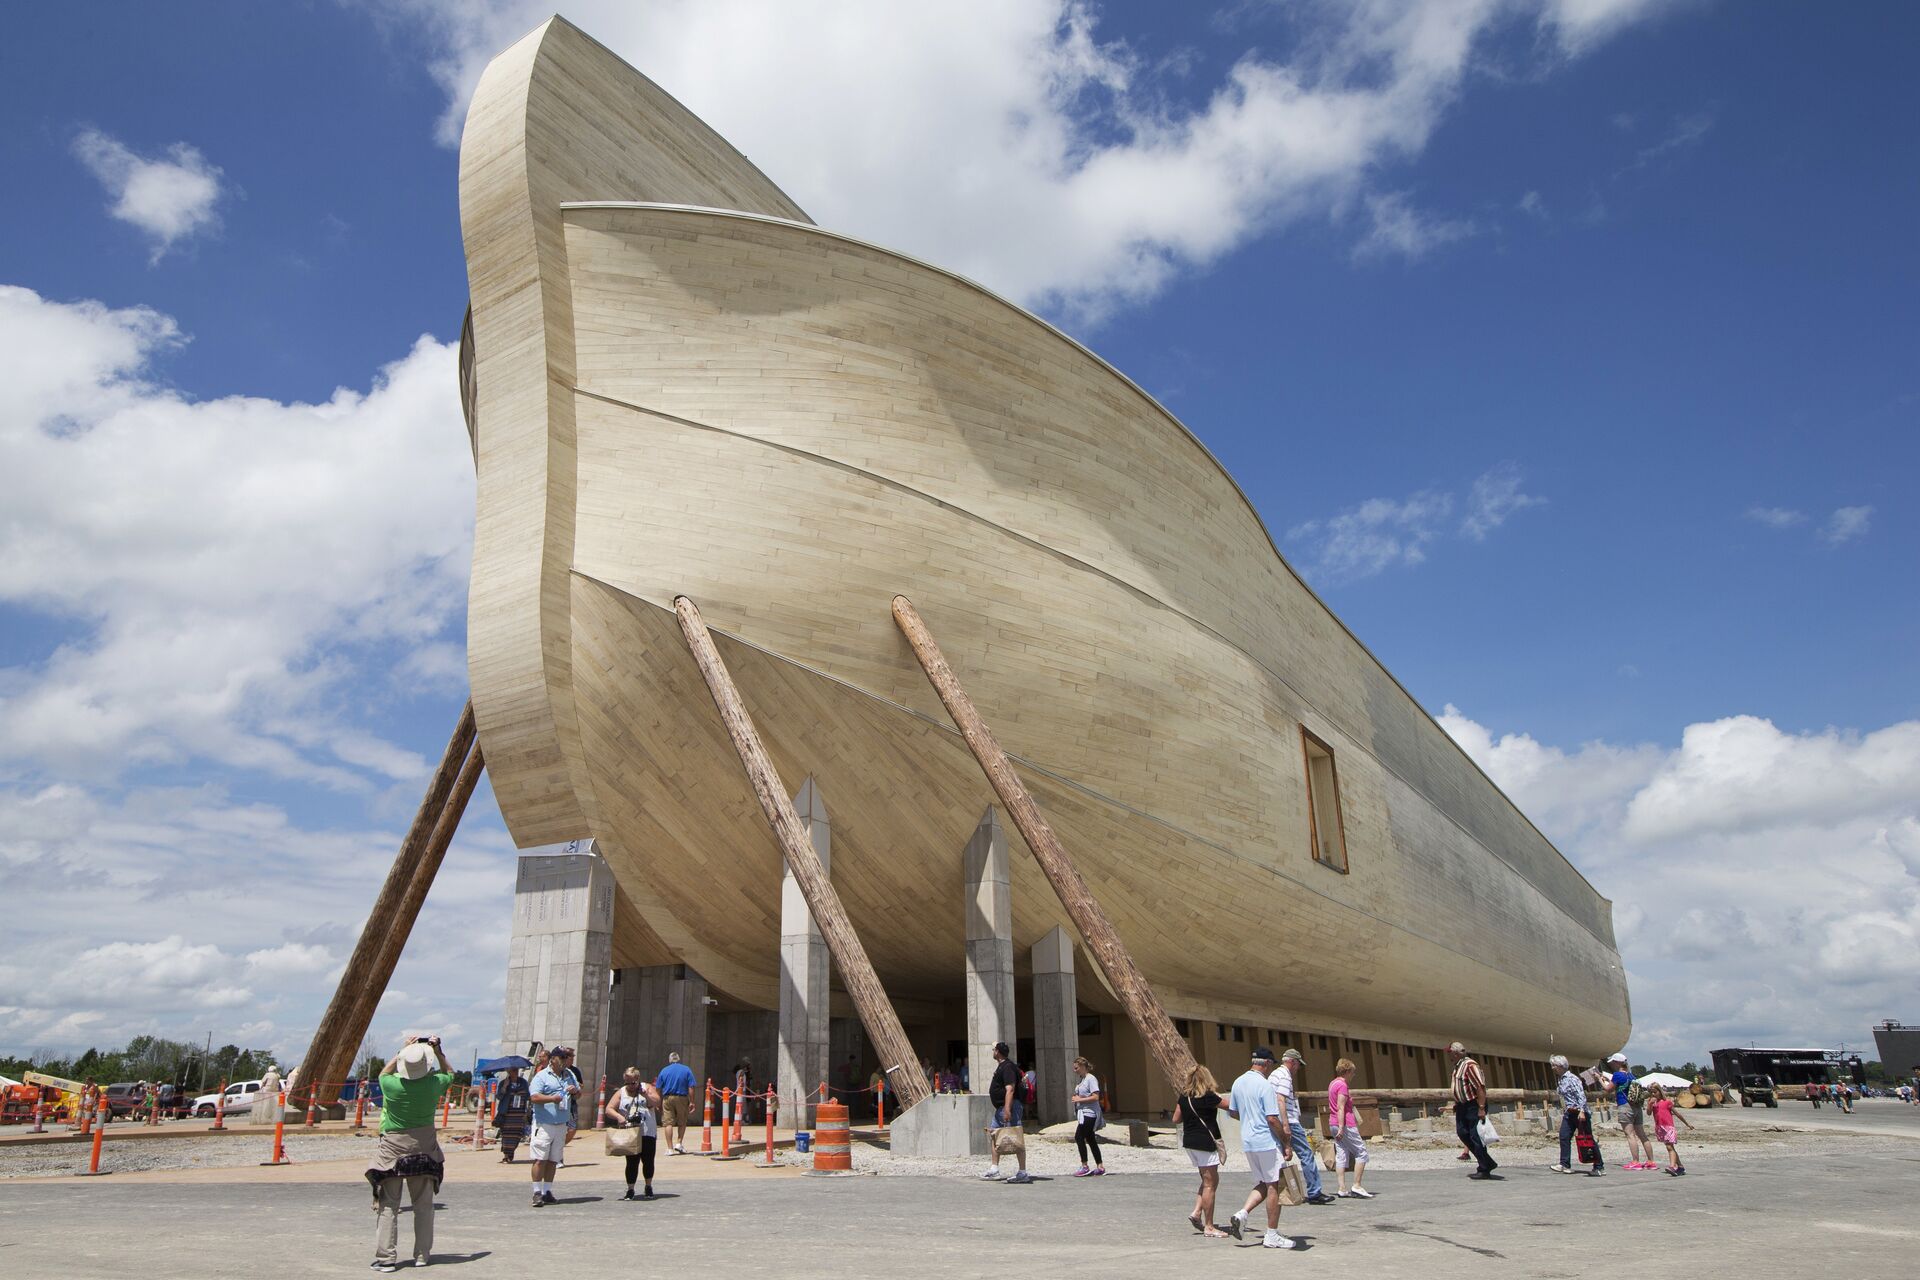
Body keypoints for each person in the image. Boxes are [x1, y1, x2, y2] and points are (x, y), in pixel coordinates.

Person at [365, 1035, 454, 1273]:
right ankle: (422, 1254)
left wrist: (404, 1051)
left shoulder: (391, 1084)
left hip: (392, 1151)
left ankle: (386, 1258)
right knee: (423, 1206)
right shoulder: (433, 1083)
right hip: (424, 1150)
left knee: (388, 1206)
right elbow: (451, 1073)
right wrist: (437, 1050)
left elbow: (383, 1073)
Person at [1222, 1047, 1296, 1249]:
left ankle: (1242, 1213)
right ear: (1267, 1064)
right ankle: (1272, 1234)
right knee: (1275, 1185)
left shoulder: (1238, 1082)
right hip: (1266, 1141)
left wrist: (1250, 1115)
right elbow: (1272, 1118)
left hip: (1248, 1141)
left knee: (1263, 1182)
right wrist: (1286, 1142)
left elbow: (1234, 1112)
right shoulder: (1264, 1085)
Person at [1173, 1064, 1229, 1236]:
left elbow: (1176, 1119)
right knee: (1210, 1184)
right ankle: (1209, 1226)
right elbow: (1229, 1105)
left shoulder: (1184, 1097)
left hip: (1190, 1142)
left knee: (1208, 1181)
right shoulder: (1209, 1097)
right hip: (1206, 1142)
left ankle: (1197, 1212)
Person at [1275, 1049, 1336, 1204]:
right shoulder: (1284, 1076)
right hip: (1289, 1121)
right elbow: (1280, 1099)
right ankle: (1315, 1192)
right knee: (1306, 1154)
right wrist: (1286, 1123)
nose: (1298, 1069)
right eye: (1298, 1065)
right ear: (1292, 1062)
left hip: (1275, 1120)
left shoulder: (1274, 1075)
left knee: (1280, 1155)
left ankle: (1277, 1191)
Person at [527, 1046, 580, 1207]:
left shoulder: (569, 1074)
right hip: (544, 1123)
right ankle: (536, 1192)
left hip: (561, 1122)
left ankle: (547, 1191)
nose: (565, 1061)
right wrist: (552, 1099)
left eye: (567, 1058)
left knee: (553, 1159)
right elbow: (534, 1096)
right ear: (553, 1059)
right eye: (562, 1057)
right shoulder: (541, 1076)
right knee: (540, 1159)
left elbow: (579, 1094)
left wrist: (574, 1091)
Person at [604, 1068, 661, 1199]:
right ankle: (630, 1189)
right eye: (627, 1082)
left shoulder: (646, 1088)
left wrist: (646, 1095)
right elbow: (609, 1109)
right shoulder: (621, 1092)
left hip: (647, 1130)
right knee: (631, 1162)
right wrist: (619, 1117)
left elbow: (657, 1102)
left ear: (638, 1080)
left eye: (633, 1083)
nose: (630, 1086)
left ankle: (648, 1186)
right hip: (630, 1131)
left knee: (648, 1160)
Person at [979, 1042, 1031, 1183]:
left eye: (994, 1049)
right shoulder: (1003, 1066)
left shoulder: (1007, 1067)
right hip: (1002, 1108)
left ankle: (1022, 1172)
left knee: (1016, 1136)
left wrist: (1007, 1109)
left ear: (998, 1052)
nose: (993, 1051)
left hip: (1009, 1107)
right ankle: (994, 1169)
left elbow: (1010, 1089)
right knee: (995, 1134)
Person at [1448, 1041, 1500, 1179]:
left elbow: (1480, 1087)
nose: (1449, 1055)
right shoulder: (1457, 1066)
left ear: (1456, 1053)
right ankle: (1487, 1162)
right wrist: (1457, 1103)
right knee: (1462, 1132)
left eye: (1450, 1053)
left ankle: (1484, 1167)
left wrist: (1481, 1108)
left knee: (1475, 1136)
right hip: (1462, 1105)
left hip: (1473, 1105)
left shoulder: (1470, 1066)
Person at [1548, 1054, 1603, 1177]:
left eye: (1554, 1065)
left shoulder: (1572, 1078)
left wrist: (1582, 1111)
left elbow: (1581, 1095)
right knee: (1564, 1136)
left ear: (1561, 1066)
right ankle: (1564, 1163)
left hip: (1579, 1112)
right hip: (1569, 1112)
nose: (1552, 1068)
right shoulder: (1561, 1079)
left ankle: (1599, 1166)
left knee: (1587, 1138)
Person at [1327, 1057, 1372, 1197]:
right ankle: (1357, 1185)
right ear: (1347, 1071)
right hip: (1345, 1123)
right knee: (1361, 1152)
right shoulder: (1343, 1085)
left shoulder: (1332, 1083)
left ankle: (1342, 1188)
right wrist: (1342, 1127)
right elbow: (1341, 1107)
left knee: (1342, 1152)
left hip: (1332, 1122)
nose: (1353, 1075)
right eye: (1352, 1072)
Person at [1608, 1053, 1653, 1169]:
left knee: (1630, 1135)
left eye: (1613, 1062)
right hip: (1636, 1107)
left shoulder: (1617, 1075)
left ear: (1617, 1063)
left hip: (1625, 1105)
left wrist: (1599, 1079)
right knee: (1642, 1134)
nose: (1611, 1065)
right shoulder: (1632, 1076)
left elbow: (1608, 1089)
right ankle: (1651, 1161)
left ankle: (1635, 1161)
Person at [1646, 1084, 1694, 1175]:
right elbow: (1648, 1113)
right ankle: (1680, 1166)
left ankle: (1672, 1167)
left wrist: (1687, 1124)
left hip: (1668, 1127)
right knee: (1671, 1147)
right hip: (1660, 1128)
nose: (1653, 1094)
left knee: (1669, 1147)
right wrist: (1650, 1104)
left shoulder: (1667, 1102)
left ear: (1660, 1091)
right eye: (1651, 1093)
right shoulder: (1653, 1103)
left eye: (1655, 1092)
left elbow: (1677, 1114)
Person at [1070, 1055, 1106, 1177]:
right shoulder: (1082, 1079)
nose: (1075, 1071)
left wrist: (1080, 1099)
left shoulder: (1091, 1079)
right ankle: (1100, 1166)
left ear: (1083, 1067)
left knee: (1079, 1136)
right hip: (1083, 1113)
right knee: (1090, 1139)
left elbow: (1096, 1096)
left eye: (1076, 1068)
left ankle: (1084, 1166)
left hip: (1089, 1113)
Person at [655, 1051, 696, 1154]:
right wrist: (692, 1102)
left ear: (670, 1060)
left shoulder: (664, 1071)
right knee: (682, 1122)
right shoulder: (686, 1070)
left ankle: (669, 1148)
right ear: (678, 1059)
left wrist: (658, 1102)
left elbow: (658, 1088)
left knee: (668, 1123)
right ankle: (679, 1143)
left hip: (667, 1098)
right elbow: (691, 1087)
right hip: (682, 1097)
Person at [493, 1064, 531, 1163]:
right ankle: (506, 1155)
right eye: (513, 1070)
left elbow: (527, 1096)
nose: (515, 1072)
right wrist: (505, 1087)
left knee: (516, 1135)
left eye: (516, 1070)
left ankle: (511, 1153)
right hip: (507, 1113)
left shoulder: (523, 1082)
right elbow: (499, 1097)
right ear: (508, 1071)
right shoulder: (503, 1083)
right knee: (506, 1135)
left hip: (519, 1114)